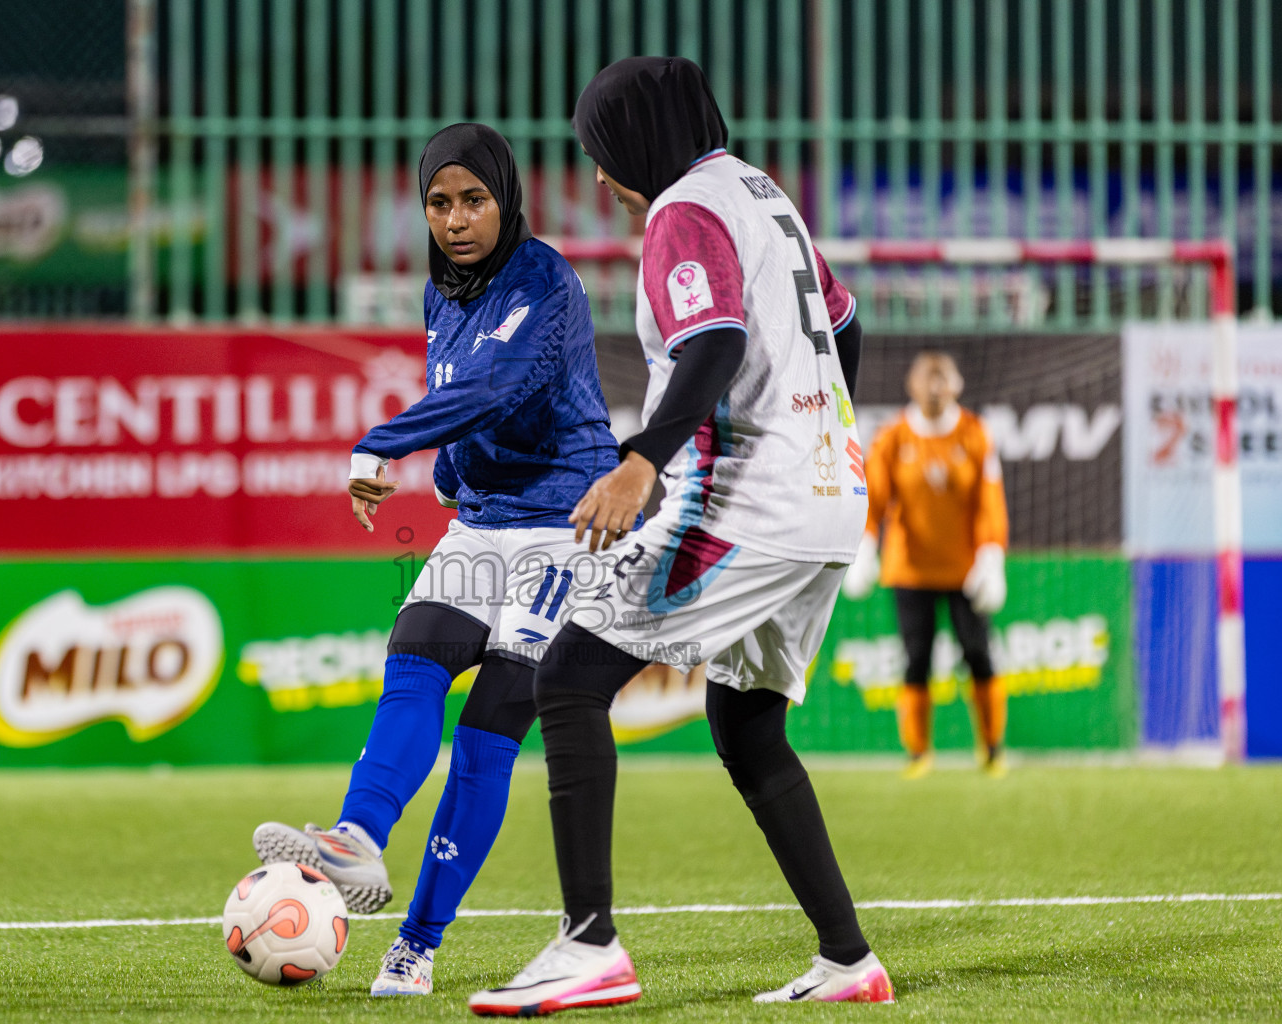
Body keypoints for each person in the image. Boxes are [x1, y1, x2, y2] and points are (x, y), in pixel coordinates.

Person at [468, 57, 893, 1017]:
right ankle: (848, 960)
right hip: (830, 499)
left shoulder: (683, 210)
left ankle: (590, 946)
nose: (603, 177)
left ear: (639, 140)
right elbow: (846, 326)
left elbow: (715, 342)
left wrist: (642, 461)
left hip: (750, 501)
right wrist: (823, 443)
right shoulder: (762, 195)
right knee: (747, 724)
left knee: (569, 678)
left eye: (603, 152)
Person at [253, 122, 622, 998]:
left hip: (566, 525)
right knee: (413, 662)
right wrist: (450, 474)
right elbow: (459, 399)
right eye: (439, 203)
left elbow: (496, 386)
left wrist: (383, 442)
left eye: (474, 200)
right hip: (482, 525)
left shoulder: (544, 279)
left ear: (506, 198)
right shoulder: (441, 292)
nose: (456, 220)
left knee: (487, 734)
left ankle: (416, 944)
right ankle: (356, 838)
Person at [841, 351, 1010, 778]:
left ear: (957, 385)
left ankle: (992, 750)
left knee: (979, 654)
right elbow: (873, 498)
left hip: (965, 572)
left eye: (943, 378)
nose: (935, 388)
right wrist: (864, 549)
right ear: (911, 386)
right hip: (910, 571)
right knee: (916, 658)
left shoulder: (975, 433)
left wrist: (991, 557)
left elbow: (990, 500)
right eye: (927, 378)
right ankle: (918, 754)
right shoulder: (893, 436)